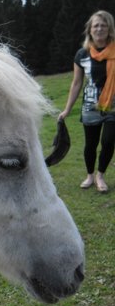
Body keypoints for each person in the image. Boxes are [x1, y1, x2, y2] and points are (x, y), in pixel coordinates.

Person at [59, 10, 115, 192]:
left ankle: (100, 176)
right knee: (90, 145)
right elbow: (76, 83)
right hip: (90, 107)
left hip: (113, 108)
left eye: (103, 25)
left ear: (109, 28)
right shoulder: (82, 54)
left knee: (108, 142)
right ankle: (90, 175)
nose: (99, 28)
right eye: (96, 25)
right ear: (90, 30)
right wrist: (67, 109)